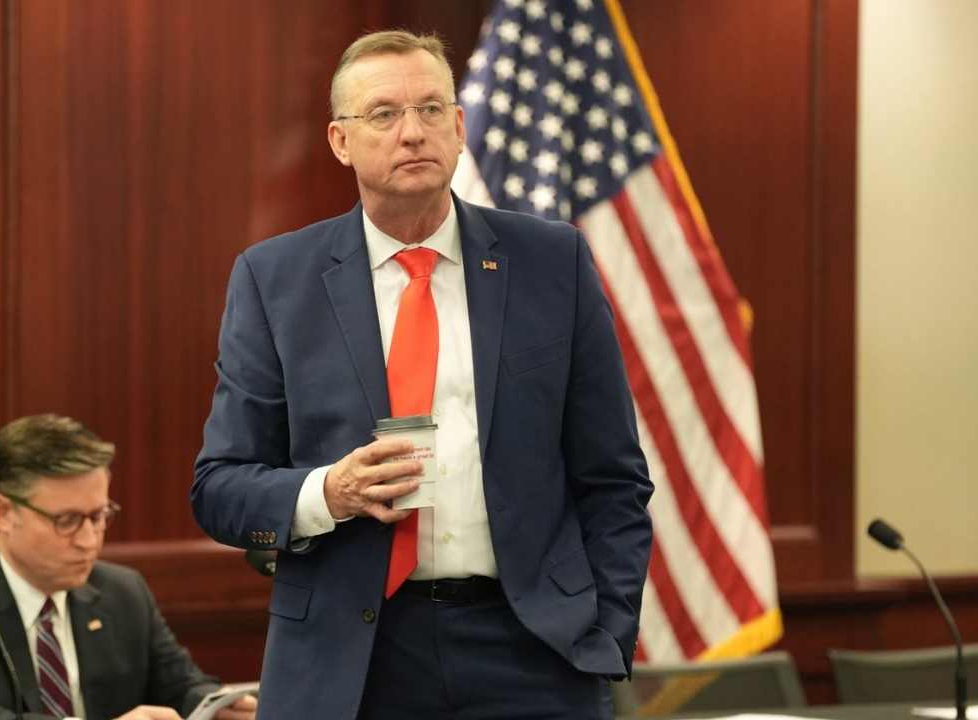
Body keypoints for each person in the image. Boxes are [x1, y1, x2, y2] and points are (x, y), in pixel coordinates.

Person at [192, 29, 652, 720]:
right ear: (341, 141)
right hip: (352, 660)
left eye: (432, 109)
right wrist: (328, 492)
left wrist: (605, 633)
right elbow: (221, 488)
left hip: (534, 651)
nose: (412, 132)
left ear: (460, 128)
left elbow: (613, 477)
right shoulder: (275, 279)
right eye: (383, 114)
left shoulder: (552, 262)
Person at [0, 414, 258, 720]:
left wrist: (214, 705)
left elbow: (180, 685)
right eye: (67, 520)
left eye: (99, 516)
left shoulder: (122, 592)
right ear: (3, 512)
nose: (89, 540)